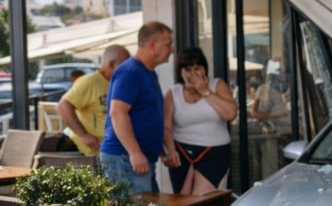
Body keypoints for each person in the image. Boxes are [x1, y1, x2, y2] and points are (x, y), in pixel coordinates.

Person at [100, 22, 174, 192]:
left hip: (136, 158)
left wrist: (162, 152)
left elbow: (145, 116)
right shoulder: (130, 71)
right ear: (152, 45)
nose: (172, 50)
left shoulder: (146, 71)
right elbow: (117, 113)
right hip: (125, 158)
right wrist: (134, 152)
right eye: (168, 44)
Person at [162, 47, 237, 194]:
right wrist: (170, 151)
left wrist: (205, 91)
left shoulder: (217, 85)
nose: (193, 74)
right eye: (188, 69)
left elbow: (231, 114)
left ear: (205, 70)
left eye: (198, 68)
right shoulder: (173, 92)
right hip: (181, 153)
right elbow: (166, 127)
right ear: (181, 72)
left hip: (214, 154)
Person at [56, 46, 130, 156]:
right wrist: (83, 135)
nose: (128, 69)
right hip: (91, 155)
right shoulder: (90, 81)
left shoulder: (117, 83)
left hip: (116, 152)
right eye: (124, 65)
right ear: (111, 64)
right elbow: (62, 106)